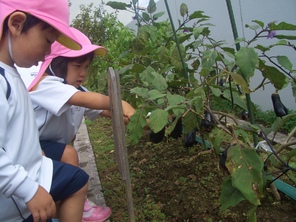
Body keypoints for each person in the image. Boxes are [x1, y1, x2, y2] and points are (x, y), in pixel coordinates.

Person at [28, 27, 135, 221]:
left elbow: (111, 112)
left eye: (86, 67)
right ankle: (75, 202)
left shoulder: (78, 91)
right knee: (69, 154)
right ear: (58, 63)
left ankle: (67, 204)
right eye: (78, 66)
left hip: (48, 148)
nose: (83, 73)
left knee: (67, 155)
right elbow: (93, 101)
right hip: (27, 149)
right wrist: (121, 102)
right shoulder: (46, 85)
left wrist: (143, 121)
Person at [0, 1, 92, 222]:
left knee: (76, 180)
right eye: (48, 40)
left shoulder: (10, 73)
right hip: (15, 195)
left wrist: (34, 151)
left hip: (31, 172)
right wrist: (28, 189)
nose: (49, 52)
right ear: (17, 24)